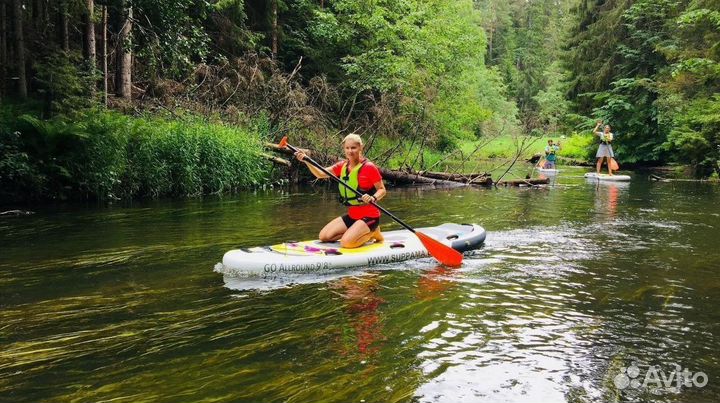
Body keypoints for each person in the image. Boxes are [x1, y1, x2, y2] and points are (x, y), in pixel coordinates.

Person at [294, 133, 387, 248]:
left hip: (370, 216)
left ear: (361, 148)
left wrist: (373, 197)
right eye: (347, 148)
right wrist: (306, 161)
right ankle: (356, 232)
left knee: (346, 243)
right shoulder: (342, 166)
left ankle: (373, 232)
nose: (350, 151)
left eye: (353, 147)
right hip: (353, 215)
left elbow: (382, 190)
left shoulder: (369, 167)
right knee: (324, 236)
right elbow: (320, 173)